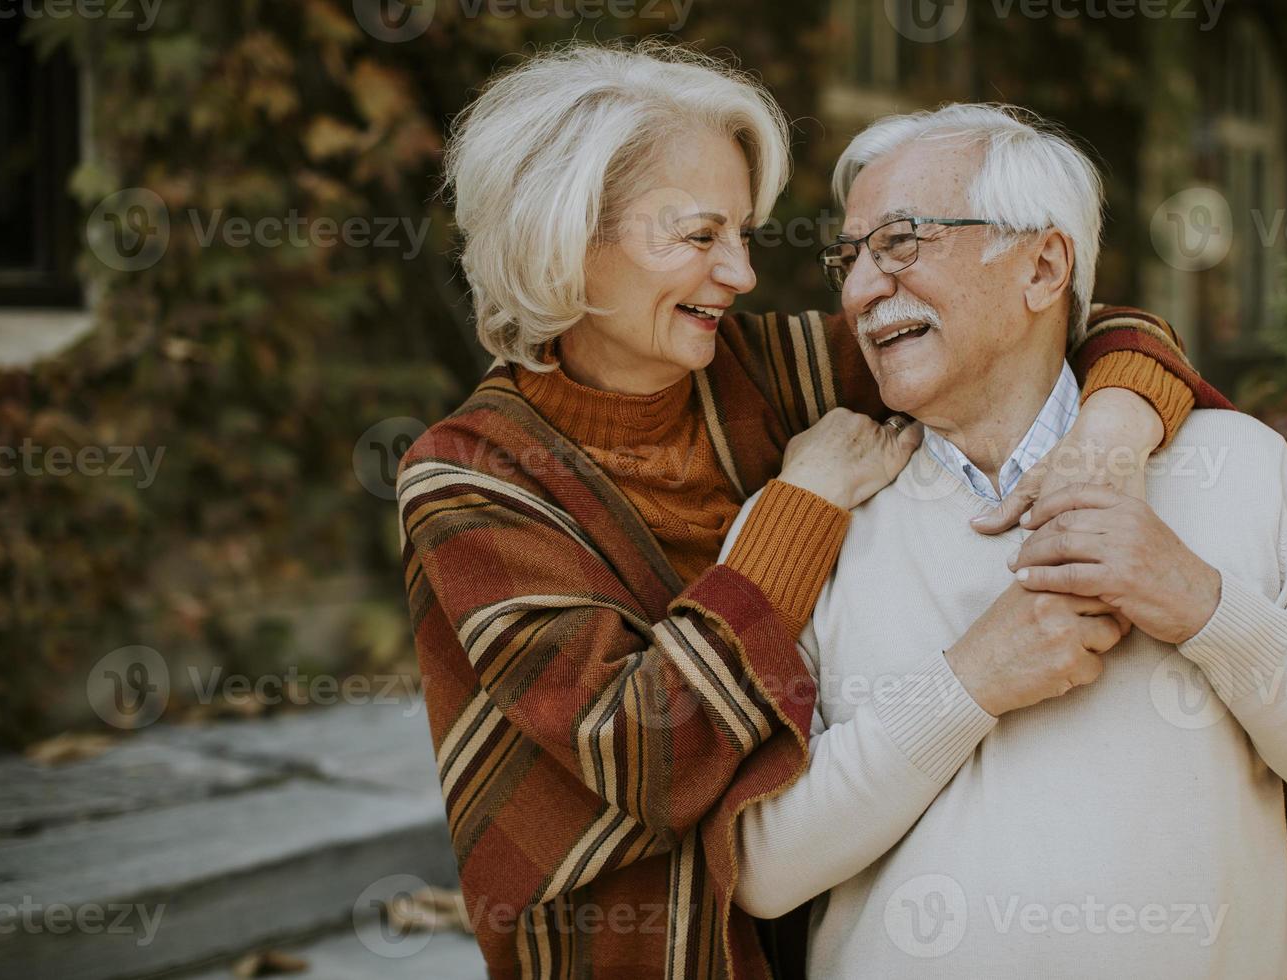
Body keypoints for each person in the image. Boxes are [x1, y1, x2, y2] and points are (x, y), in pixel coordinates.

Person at [397, 42, 1227, 979]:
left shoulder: (763, 370)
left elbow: (1055, 317)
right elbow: (648, 752)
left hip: (825, 918)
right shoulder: (469, 476)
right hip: (638, 953)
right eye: (700, 237)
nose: (743, 275)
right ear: (567, 237)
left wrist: (1103, 445)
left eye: (743, 235)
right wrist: (800, 504)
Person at [726, 102, 1287, 979]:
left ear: (1042, 265)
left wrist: (1201, 605)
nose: (861, 289)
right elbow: (758, 863)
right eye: (850, 256)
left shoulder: (1234, 465)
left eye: (901, 242)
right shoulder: (811, 514)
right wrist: (971, 682)